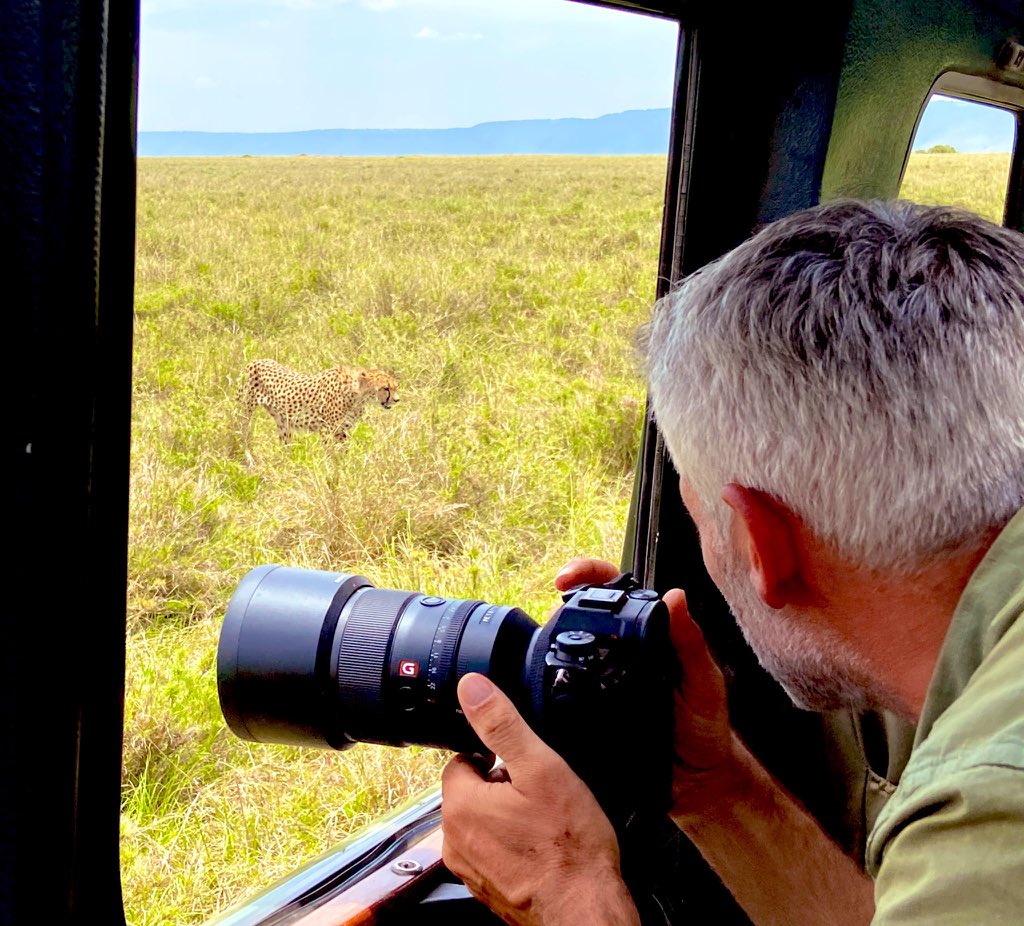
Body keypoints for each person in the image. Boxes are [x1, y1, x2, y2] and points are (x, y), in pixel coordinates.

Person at [439, 199, 1024, 926]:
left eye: (697, 514)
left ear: (759, 544)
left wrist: (571, 899)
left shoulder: (990, 808)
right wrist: (710, 785)